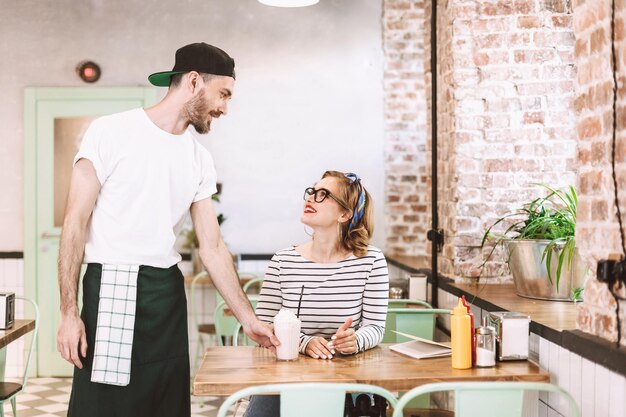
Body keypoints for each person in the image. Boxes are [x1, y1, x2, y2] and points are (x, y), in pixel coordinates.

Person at [56, 42, 279, 417]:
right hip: (111, 285)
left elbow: (212, 247)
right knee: (104, 406)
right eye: (223, 94)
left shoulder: (199, 159)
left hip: (166, 292)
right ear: (194, 81)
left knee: (166, 405)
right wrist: (68, 312)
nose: (225, 107)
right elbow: (74, 223)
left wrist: (248, 318)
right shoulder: (110, 131)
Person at [244, 170, 389, 417]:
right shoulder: (283, 261)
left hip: (346, 378)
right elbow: (264, 327)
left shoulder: (371, 261)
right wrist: (305, 342)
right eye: (312, 191)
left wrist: (355, 341)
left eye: (324, 195)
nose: (311, 198)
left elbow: (375, 328)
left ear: (345, 214)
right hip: (284, 378)